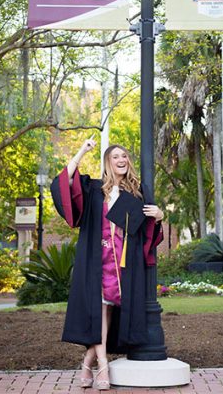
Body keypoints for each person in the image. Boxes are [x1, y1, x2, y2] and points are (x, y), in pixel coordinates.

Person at [50, 137, 164, 390]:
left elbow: (147, 227)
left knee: (109, 309)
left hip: (123, 261)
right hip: (96, 259)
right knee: (100, 308)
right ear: (107, 162)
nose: (121, 160)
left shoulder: (137, 191)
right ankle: (102, 365)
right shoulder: (94, 188)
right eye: (115, 157)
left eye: (124, 156)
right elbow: (63, 183)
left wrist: (159, 216)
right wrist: (81, 150)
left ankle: (86, 361)